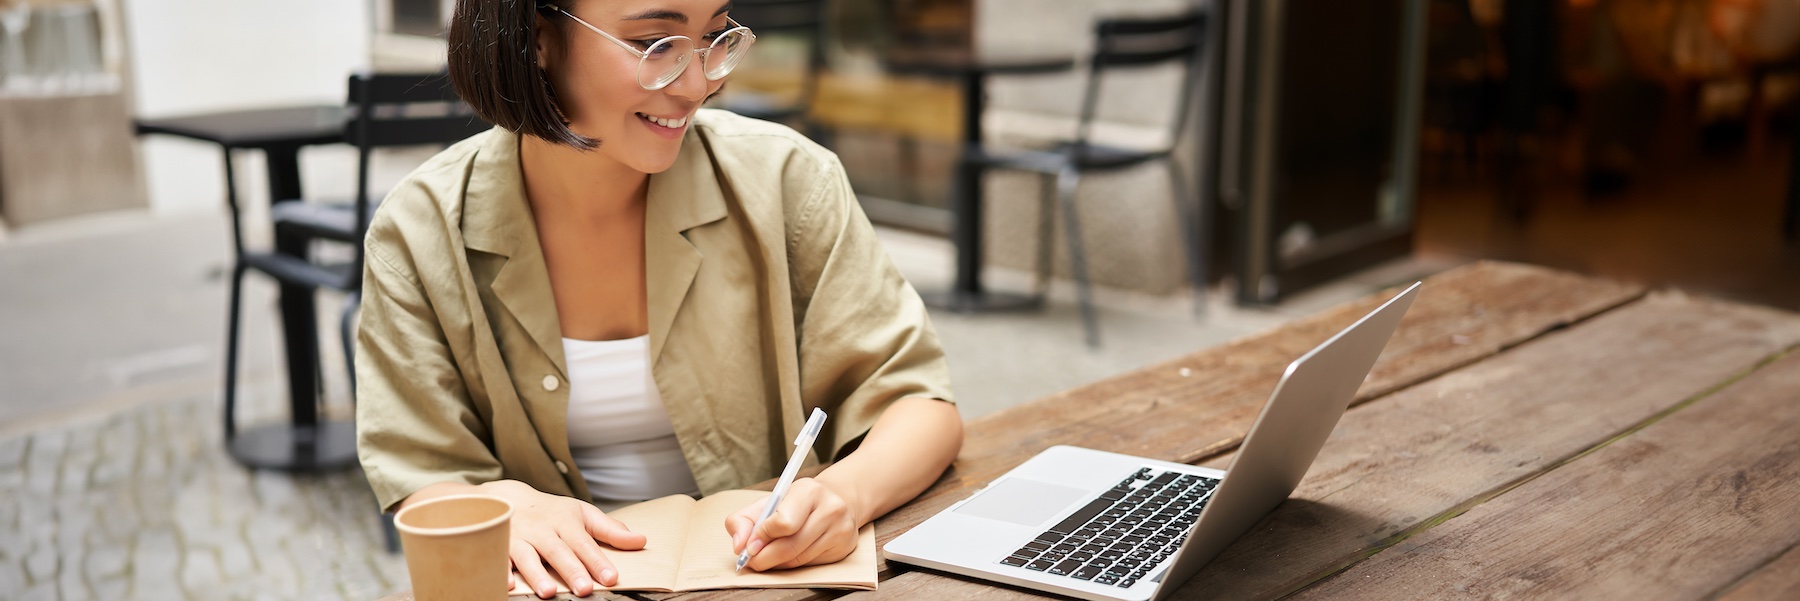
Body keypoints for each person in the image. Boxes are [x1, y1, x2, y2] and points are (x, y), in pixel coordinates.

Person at [352, 0, 964, 598]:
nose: (697, 82)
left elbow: (918, 404)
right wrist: (496, 501)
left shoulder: (787, 182)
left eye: (714, 37)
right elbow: (421, 473)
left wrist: (844, 495)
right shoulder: (422, 230)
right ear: (538, 37)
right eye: (654, 45)